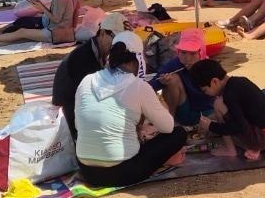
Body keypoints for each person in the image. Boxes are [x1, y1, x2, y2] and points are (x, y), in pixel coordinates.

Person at [74, 35, 188, 188]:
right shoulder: (138, 86)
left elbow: (77, 124)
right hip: (123, 172)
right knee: (178, 134)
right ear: (138, 59)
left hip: (88, 171)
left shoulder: (87, 80)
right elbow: (167, 127)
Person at [53, 11, 126, 138]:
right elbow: (95, 97)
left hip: (79, 106)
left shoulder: (95, 52)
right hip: (70, 115)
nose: (119, 45)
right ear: (103, 33)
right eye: (116, 39)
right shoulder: (84, 57)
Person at [190, 59, 265, 160]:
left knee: (218, 104)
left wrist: (211, 126)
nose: (206, 94)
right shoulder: (240, 81)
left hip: (260, 139)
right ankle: (254, 148)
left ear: (215, 81)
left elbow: (238, 126)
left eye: (205, 90)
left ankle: (231, 150)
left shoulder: (229, 94)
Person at [152, 29, 213, 126]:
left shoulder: (209, 67)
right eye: (183, 52)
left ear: (201, 53)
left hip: (206, 114)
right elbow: (152, 84)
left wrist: (195, 72)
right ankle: (169, 121)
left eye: (193, 53)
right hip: (183, 112)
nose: (187, 58)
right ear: (178, 52)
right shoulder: (175, 63)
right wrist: (162, 80)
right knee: (172, 79)